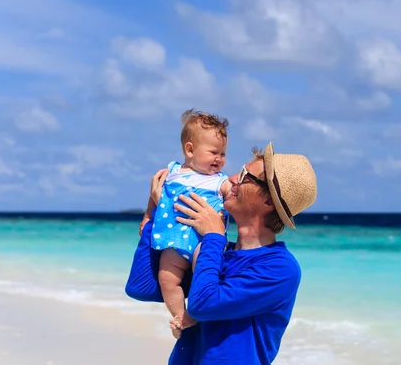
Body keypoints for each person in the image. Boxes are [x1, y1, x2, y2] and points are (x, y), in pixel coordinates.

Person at [125, 142, 317, 365]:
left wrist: (214, 235)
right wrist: (156, 210)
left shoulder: (280, 268)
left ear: (268, 201)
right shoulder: (215, 252)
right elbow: (141, 286)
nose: (233, 177)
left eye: (245, 176)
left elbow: (203, 304)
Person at [144, 109, 231, 339]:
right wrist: (147, 215)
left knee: (203, 274)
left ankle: (197, 312)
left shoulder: (219, 180)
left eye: (223, 153)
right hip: (174, 241)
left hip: (203, 240)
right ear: (190, 150)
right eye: (214, 152)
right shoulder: (172, 171)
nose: (219, 159)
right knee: (166, 278)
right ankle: (180, 316)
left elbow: (232, 195)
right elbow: (156, 195)